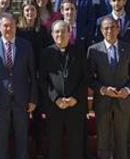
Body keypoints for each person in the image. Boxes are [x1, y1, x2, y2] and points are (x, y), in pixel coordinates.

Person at [0, 13, 37, 159]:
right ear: (0, 27)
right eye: (5, 26)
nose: (8, 29)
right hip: (0, 102)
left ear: (16, 27)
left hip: (22, 100)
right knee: (1, 140)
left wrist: (33, 99)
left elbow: (32, 74)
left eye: (11, 25)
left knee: (22, 139)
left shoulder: (26, 45)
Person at [86, 16, 130, 159]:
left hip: (123, 101)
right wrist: (103, 89)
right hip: (103, 101)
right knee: (103, 139)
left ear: (118, 29)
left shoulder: (128, 49)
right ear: (101, 30)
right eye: (106, 28)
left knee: (121, 139)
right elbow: (89, 78)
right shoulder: (93, 50)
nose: (109, 30)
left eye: (112, 27)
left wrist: (126, 90)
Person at [38, 21, 86, 159]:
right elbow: (42, 79)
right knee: (54, 144)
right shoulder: (46, 53)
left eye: (63, 31)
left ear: (69, 33)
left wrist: (75, 97)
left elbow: (85, 77)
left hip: (75, 105)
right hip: (54, 106)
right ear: (52, 34)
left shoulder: (79, 51)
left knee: (76, 145)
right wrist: (56, 98)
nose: (60, 34)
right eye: (57, 32)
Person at [16, 0, 48, 158]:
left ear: (37, 12)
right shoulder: (18, 31)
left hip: (38, 77)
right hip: (22, 77)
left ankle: (40, 150)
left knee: (38, 116)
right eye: (27, 10)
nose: (30, 13)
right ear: (23, 12)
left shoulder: (42, 30)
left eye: (32, 10)